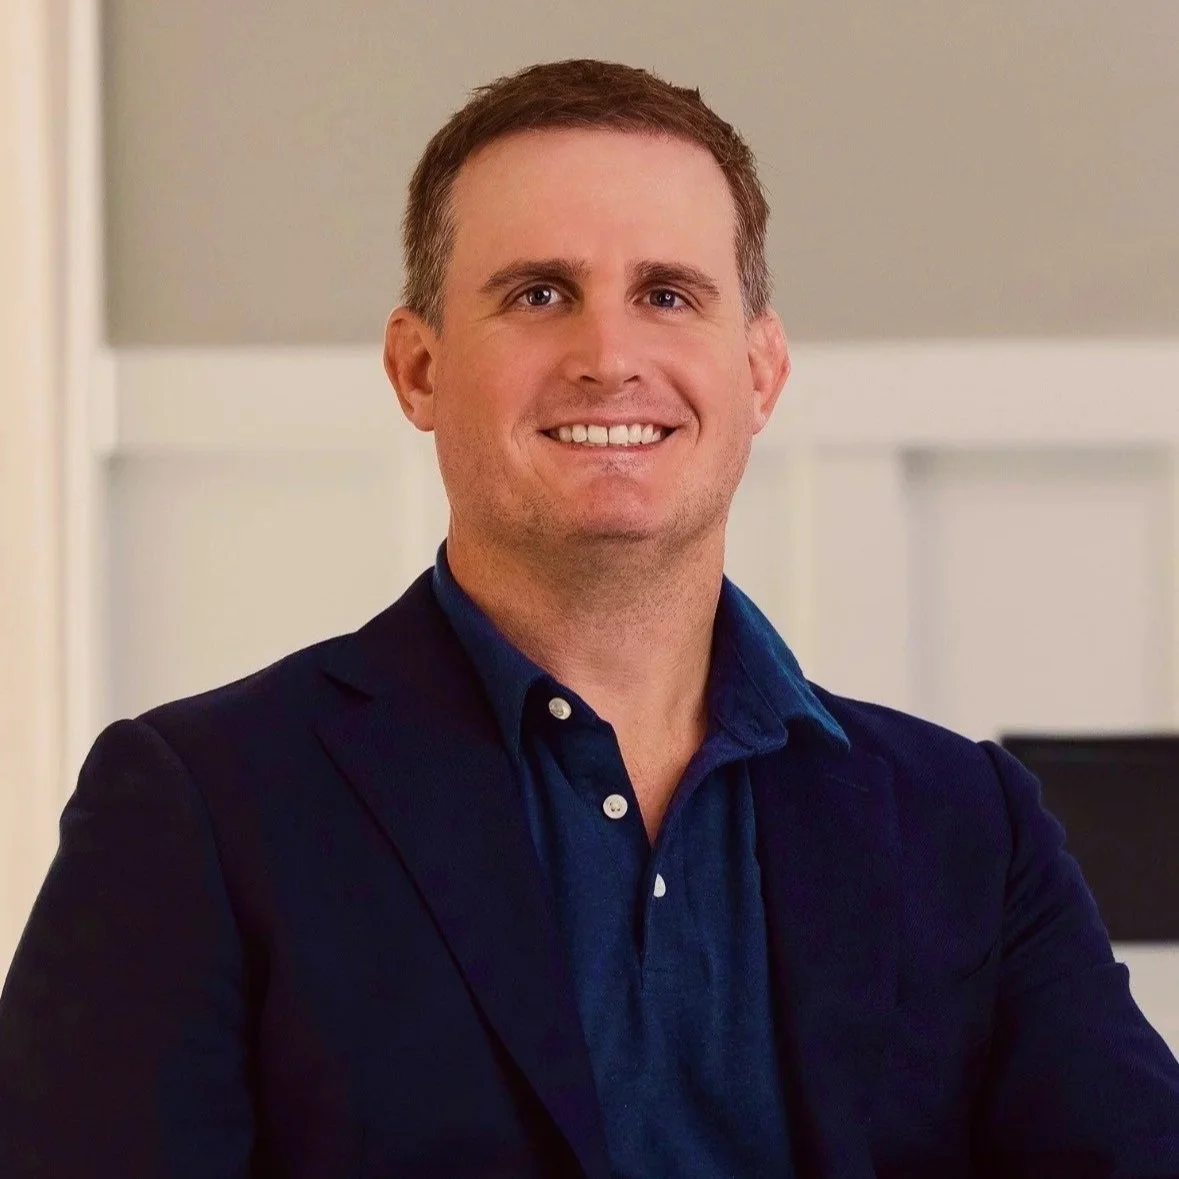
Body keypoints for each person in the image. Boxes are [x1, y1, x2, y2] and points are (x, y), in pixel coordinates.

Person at [2, 57, 1178, 1179]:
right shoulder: (199, 809)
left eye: (667, 295)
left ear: (760, 372)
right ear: (418, 368)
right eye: (538, 295)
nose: (609, 356)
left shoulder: (969, 822)